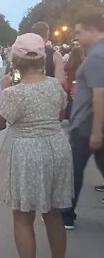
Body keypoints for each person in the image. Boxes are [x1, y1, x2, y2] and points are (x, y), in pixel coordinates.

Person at [0, 33, 73, 258]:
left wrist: (3, 90)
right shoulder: (55, 86)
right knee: (54, 213)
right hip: (57, 148)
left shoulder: (13, 92)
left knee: (23, 216)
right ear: (41, 60)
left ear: (16, 61)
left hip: (28, 152)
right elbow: (60, 116)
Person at [61, 13, 104, 228]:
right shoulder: (97, 53)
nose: (76, 37)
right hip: (92, 124)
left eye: (79, 32)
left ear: (91, 29)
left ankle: (66, 214)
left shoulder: (97, 56)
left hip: (87, 125)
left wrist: (96, 131)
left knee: (73, 170)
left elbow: (100, 94)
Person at [30, 22, 67, 91]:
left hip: (27, 95)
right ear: (47, 34)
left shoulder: (23, 54)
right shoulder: (55, 55)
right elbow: (61, 81)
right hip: (49, 94)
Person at [63, 47, 86, 119]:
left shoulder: (69, 63)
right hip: (81, 86)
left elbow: (64, 69)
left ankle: (70, 115)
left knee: (70, 102)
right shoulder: (84, 62)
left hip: (70, 85)